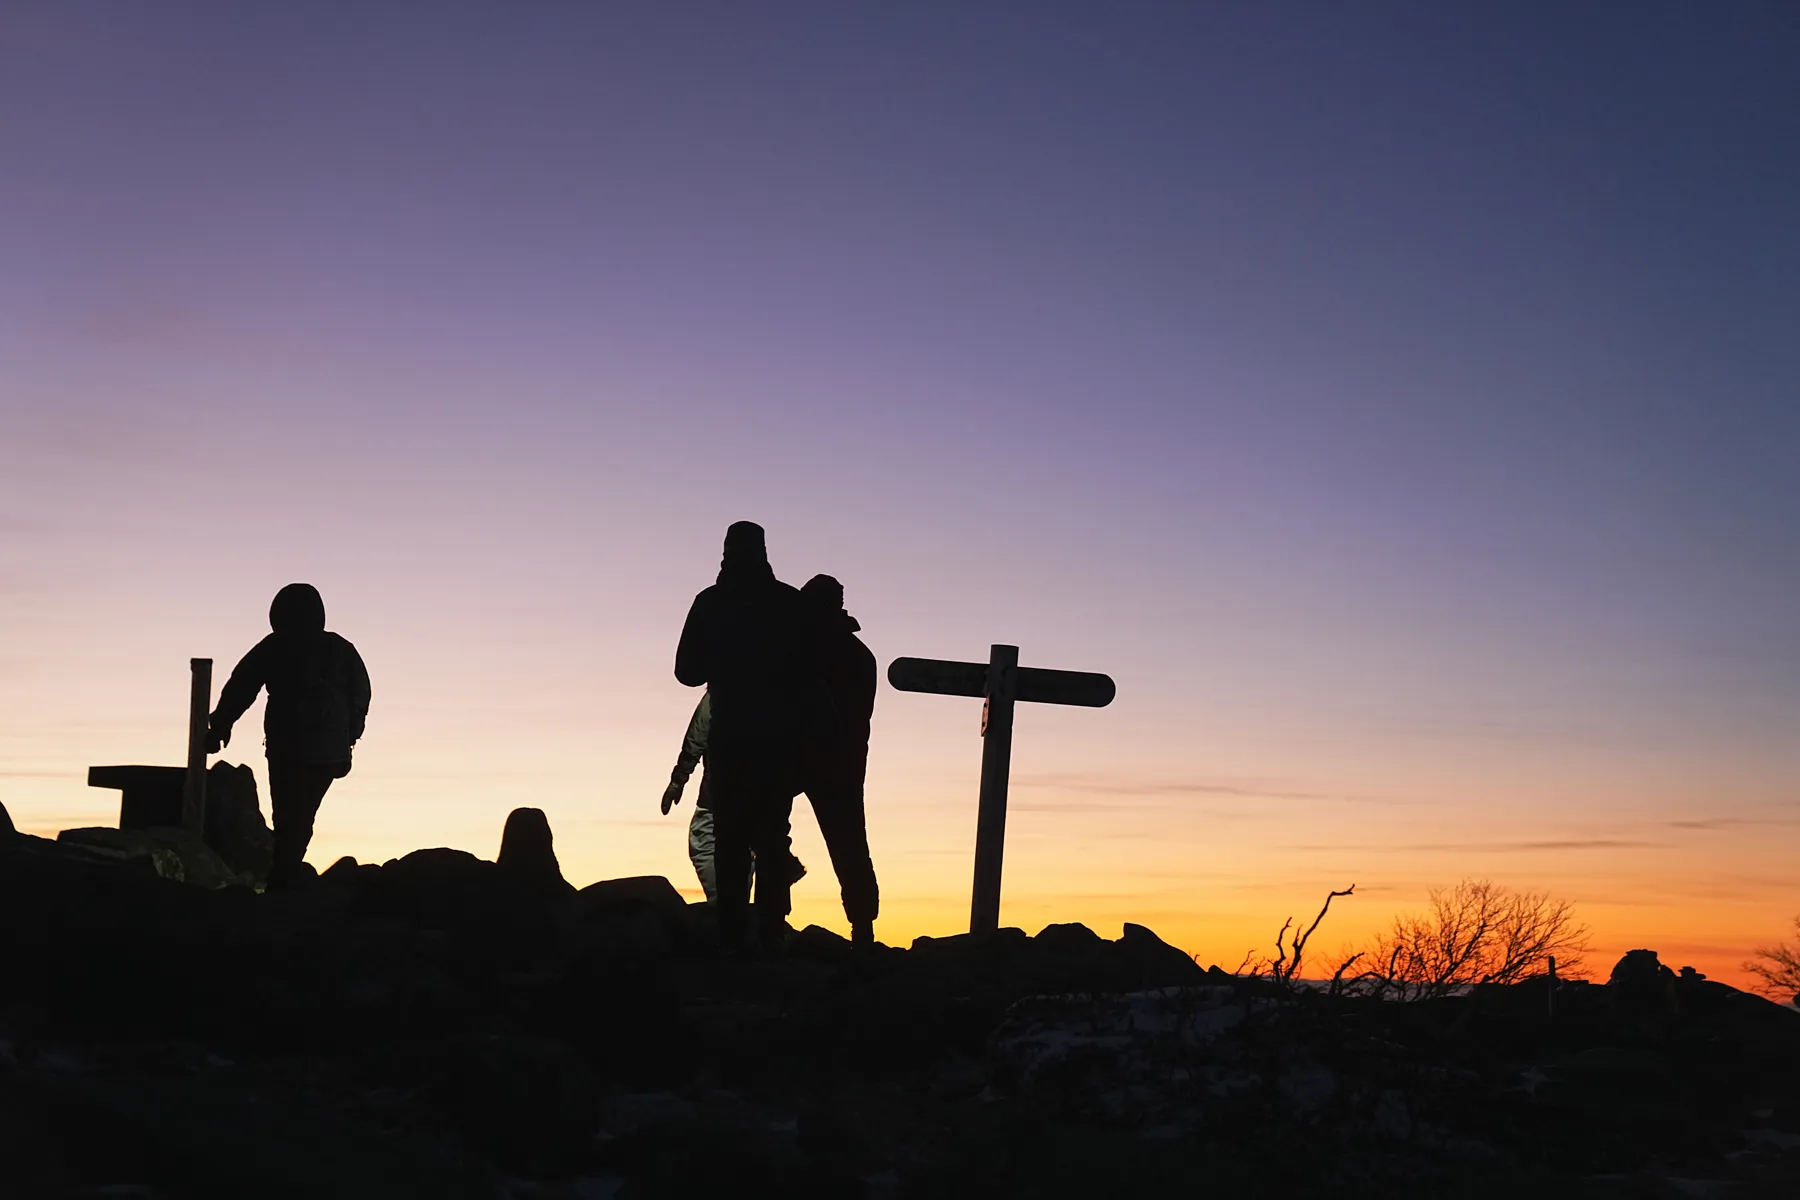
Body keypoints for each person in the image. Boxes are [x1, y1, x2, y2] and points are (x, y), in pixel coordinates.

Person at [674, 522, 823, 952]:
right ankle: (772, 937)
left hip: (730, 742)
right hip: (779, 745)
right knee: (773, 840)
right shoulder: (790, 603)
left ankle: (732, 941)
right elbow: (813, 678)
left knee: (730, 843)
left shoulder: (710, 602)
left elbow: (686, 672)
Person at [208, 583, 370, 889]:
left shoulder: (277, 646)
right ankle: (286, 874)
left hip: (295, 750)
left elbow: (243, 685)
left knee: (290, 816)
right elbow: (360, 692)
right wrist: (351, 732)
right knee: (298, 815)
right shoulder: (338, 648)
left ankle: (283, 878)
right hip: (324, 751)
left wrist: (221, 724)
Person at [796, 575, 880, 949]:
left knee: (765, 831)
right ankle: (863, 928)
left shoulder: (799, 650)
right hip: (842, 764)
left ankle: (769, 921)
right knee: (850, 846)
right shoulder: (858, 654)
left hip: (816, 759)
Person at [661, 690, 804, 903]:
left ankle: (729, 910)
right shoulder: (789, 683)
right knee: (763, 847)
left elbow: (699, 732)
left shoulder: (725, 682)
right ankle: (764, 920)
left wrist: (679, 778)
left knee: (708, 845)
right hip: (765, 791)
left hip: (723, 791)